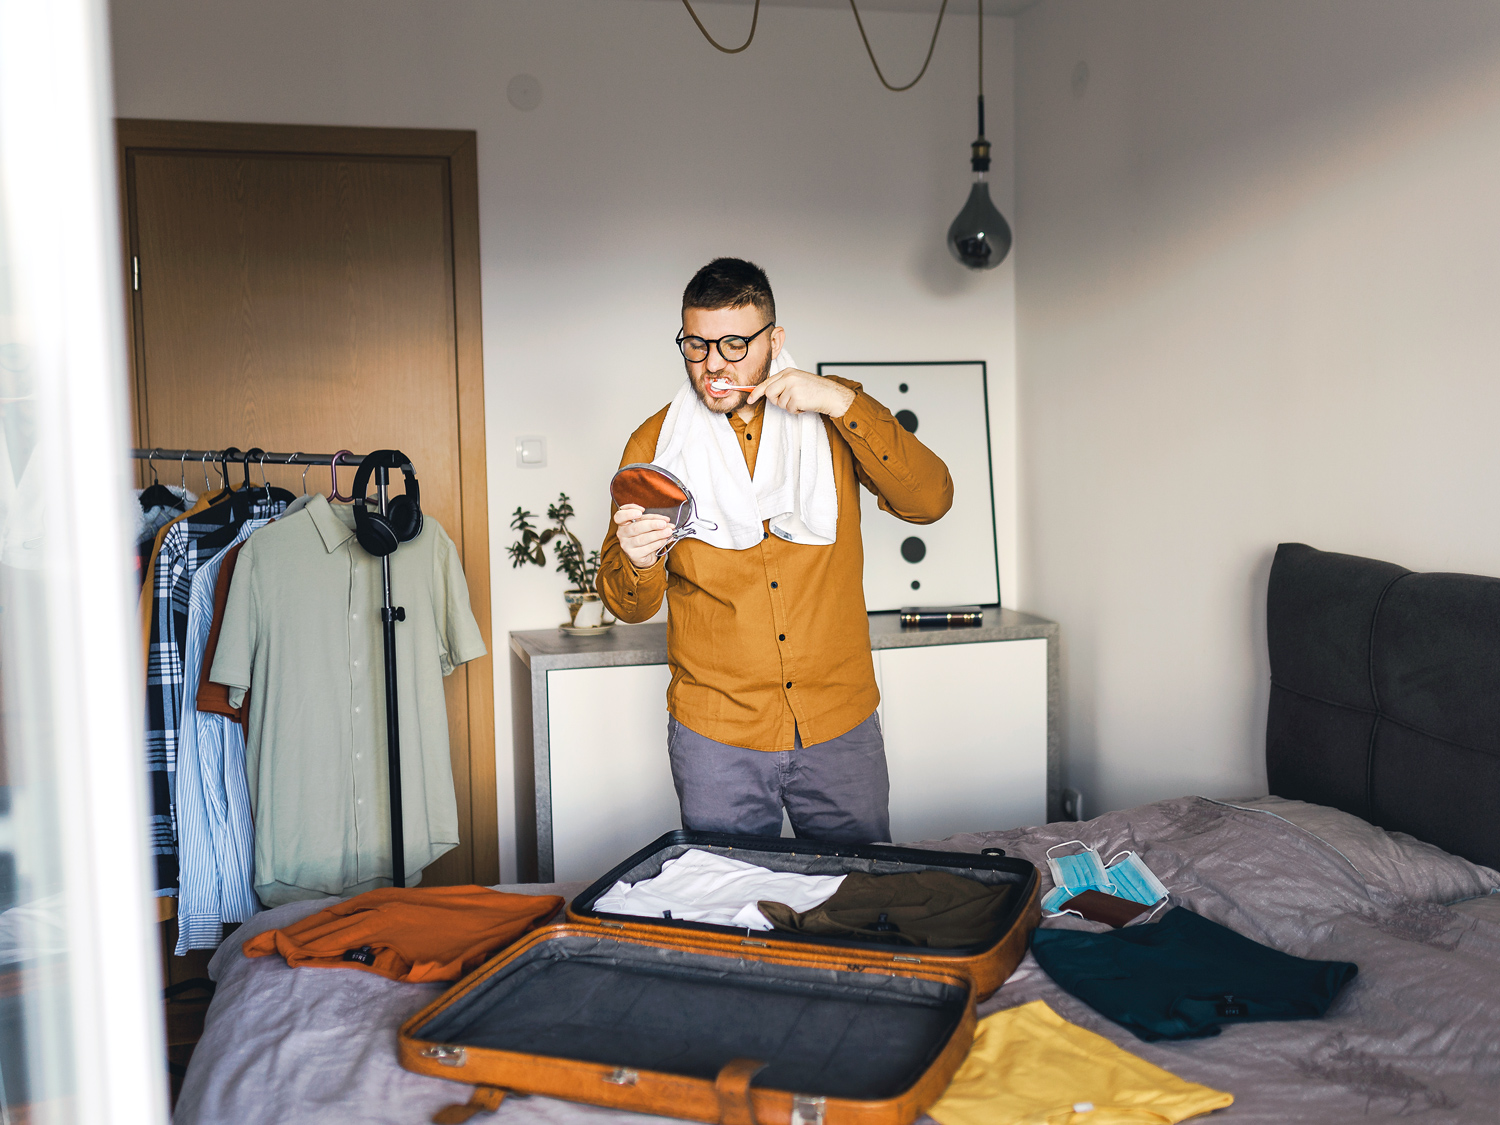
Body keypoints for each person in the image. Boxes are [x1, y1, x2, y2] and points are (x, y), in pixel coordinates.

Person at [597, 258, 952, 844]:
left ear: (775, 340)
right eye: (696, 345)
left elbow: (931, 500)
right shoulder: (654, 444)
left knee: (855, 903)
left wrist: (842, 404)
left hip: (840, 726)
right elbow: (629, 606)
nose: (714, 365)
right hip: (716, 736)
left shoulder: (839, 411)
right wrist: (637, 560)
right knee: (729, 917)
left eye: (735, 344)